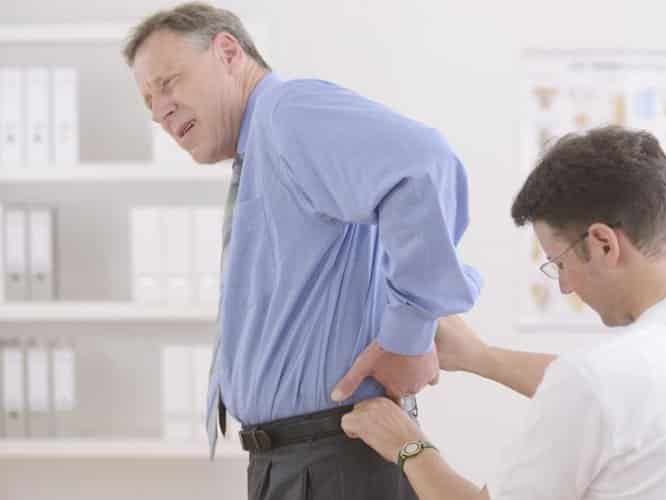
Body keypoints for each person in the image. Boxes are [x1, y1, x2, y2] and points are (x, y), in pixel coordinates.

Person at [123, 3, 481, 499]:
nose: (160, 110)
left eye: (168, 83)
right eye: (148, 102)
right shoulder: (262, 149)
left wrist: (409, 335)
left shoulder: (287, 112)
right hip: (297, 462)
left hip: (335, 460)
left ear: (227, 51)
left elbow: (423, 165)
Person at [341, 126, 666, 500]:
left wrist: (408, 446)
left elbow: (600, 392)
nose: (565, 285)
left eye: (559, 264)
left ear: (602, 243)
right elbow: (627, 401)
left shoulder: (600, 382)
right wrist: (481, 357)